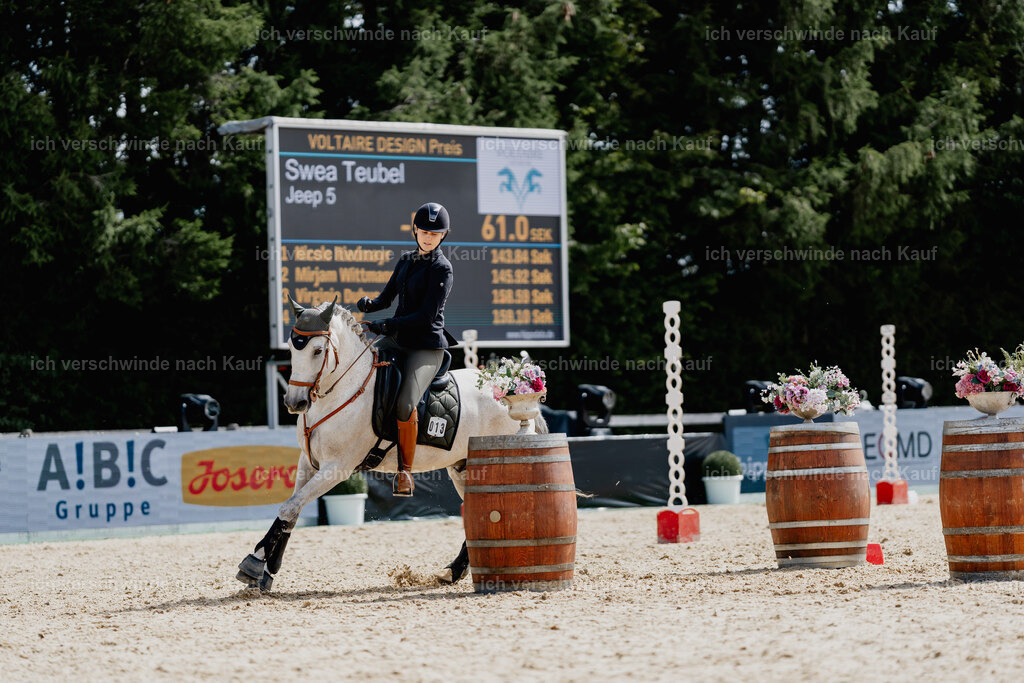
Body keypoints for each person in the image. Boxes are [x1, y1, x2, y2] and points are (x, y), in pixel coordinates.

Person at [358, 202, 458, 497]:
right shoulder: (405, 260)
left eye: (435, 233)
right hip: (399, 338)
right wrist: (370, 305)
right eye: (424, 231)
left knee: (405, 404)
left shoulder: (442, 268)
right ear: (415, 230)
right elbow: (387, 298)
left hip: (425, 345)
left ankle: (404, 472)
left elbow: (424, 317)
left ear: (443, 236)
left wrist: (385, 325)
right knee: (359, 369)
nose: (428, 237)